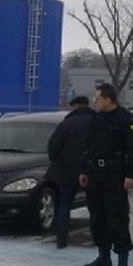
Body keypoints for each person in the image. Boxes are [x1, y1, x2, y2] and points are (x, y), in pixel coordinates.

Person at [79, 83, 133, 266]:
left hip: (115, 175)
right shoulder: (95, 119)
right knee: (97, 218)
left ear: (108, 99)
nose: (94, 101)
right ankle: (103, 257)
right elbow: (87, 145)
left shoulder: (126, 119)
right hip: (95, 174)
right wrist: (83, 169)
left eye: (97, 98)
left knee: (117, 218)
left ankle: (122, 261)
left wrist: (131, 175)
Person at [47, 95, 93, 248]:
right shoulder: (96, 122)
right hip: (92, 170)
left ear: (75, 106)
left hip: (66, 171)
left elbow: (53, 147)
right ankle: (98, 238)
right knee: (95, 207)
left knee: (64, 207)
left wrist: (59, 162)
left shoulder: (66, 124)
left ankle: (61, 240)